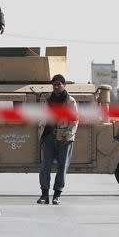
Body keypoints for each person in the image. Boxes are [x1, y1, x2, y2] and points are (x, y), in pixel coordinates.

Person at [37, 74, 79, 205]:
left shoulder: (70, 101)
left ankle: (57, 195)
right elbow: (42, 119)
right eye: (54, 84)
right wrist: (41, 137)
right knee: (45, 167)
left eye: (59, 84)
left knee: (62, 167)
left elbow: (74, 120)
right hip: (49, 136)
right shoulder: (47, 100)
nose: (56, 87)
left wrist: (68, 136)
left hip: (64, 138)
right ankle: (44, 195)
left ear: (64, 85)